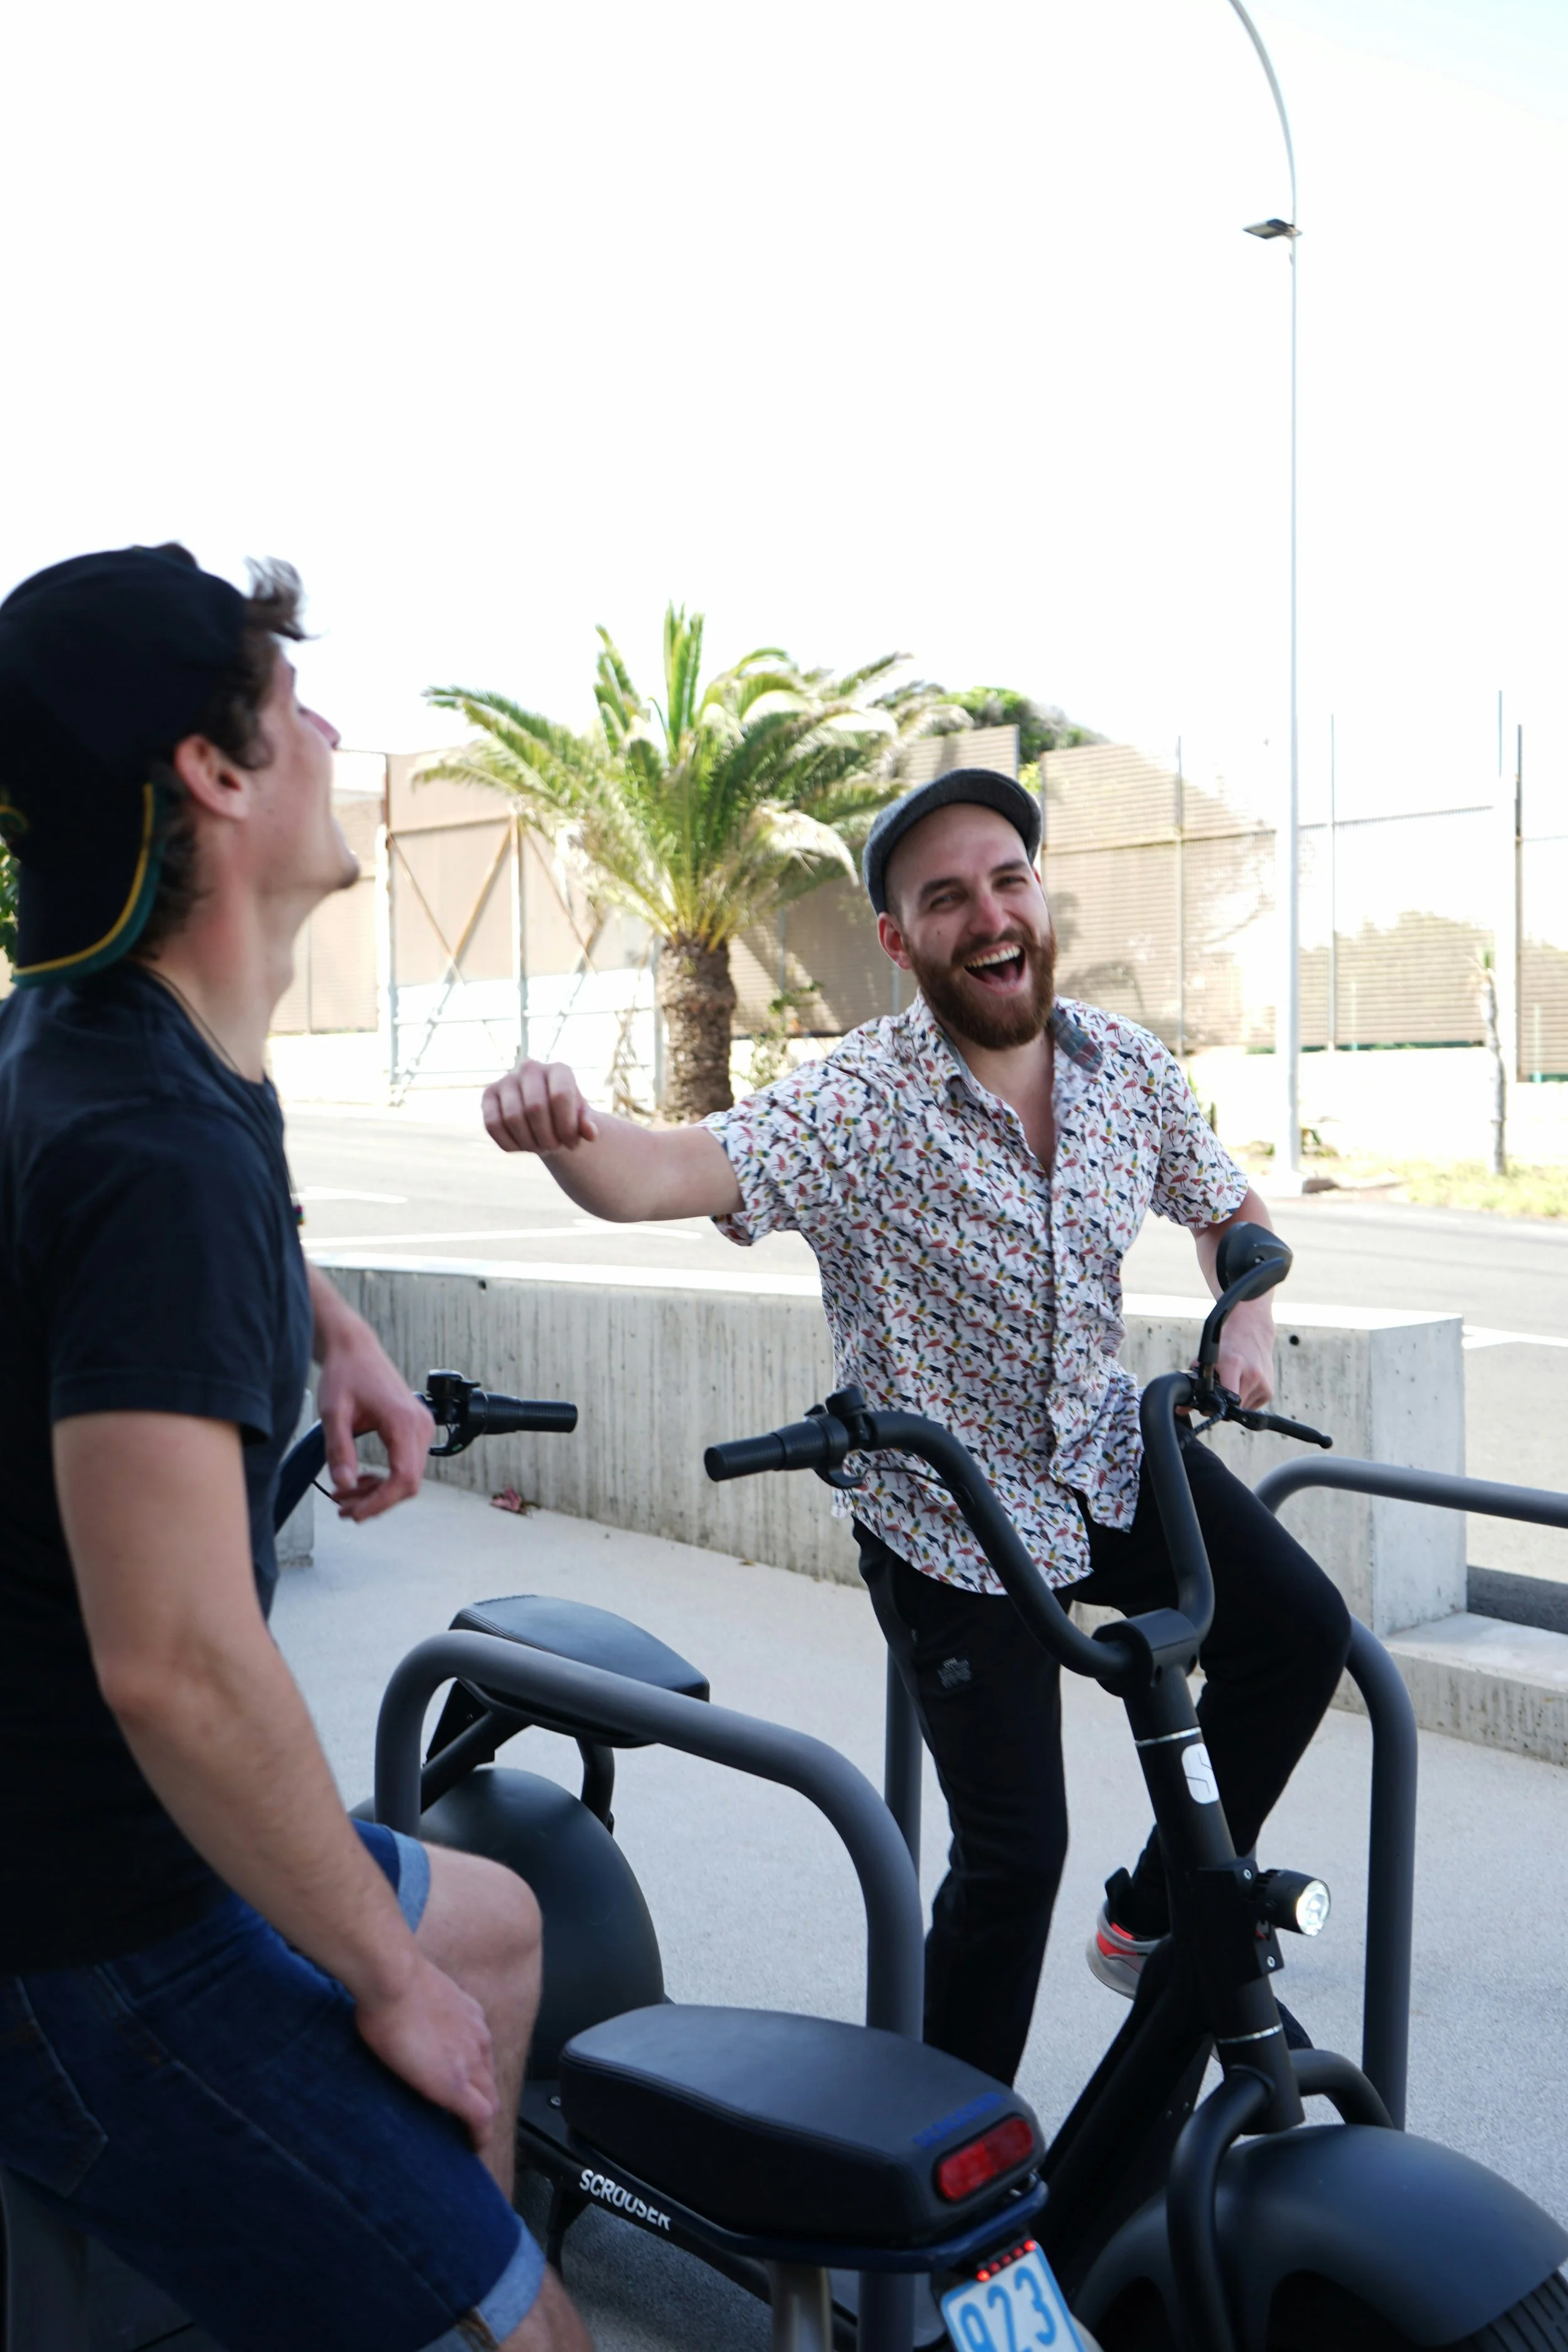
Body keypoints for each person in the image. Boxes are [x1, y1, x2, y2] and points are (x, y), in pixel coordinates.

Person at [480, 767, 1352, 2089]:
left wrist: (1246, 1305)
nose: (986, 916)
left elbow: (1226, 1208)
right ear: (899, 941)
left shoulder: (1125, 1069)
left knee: (1297, 1634)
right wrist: (562, 1131)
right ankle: (946, 2182)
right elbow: (656, 1170)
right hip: (950, 1522)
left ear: (1039, 895)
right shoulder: (860, 1100)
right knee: (1010, 1859)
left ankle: (1158, 1910)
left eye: (1005, 880)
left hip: (1108, 1454)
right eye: (943, 900)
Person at [0, 546, 588, 2352]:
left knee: (490, 1919)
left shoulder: (113, 1035)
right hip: (90, 1927)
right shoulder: (146, 1145)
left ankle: (393, 2263)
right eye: (289, 694)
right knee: (534, 2333)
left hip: (92, 1833)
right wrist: (378, 1977)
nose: (333, 723)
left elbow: (214, 1187)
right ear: (218, 774)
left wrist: (331, 1330)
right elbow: (176, 1666)